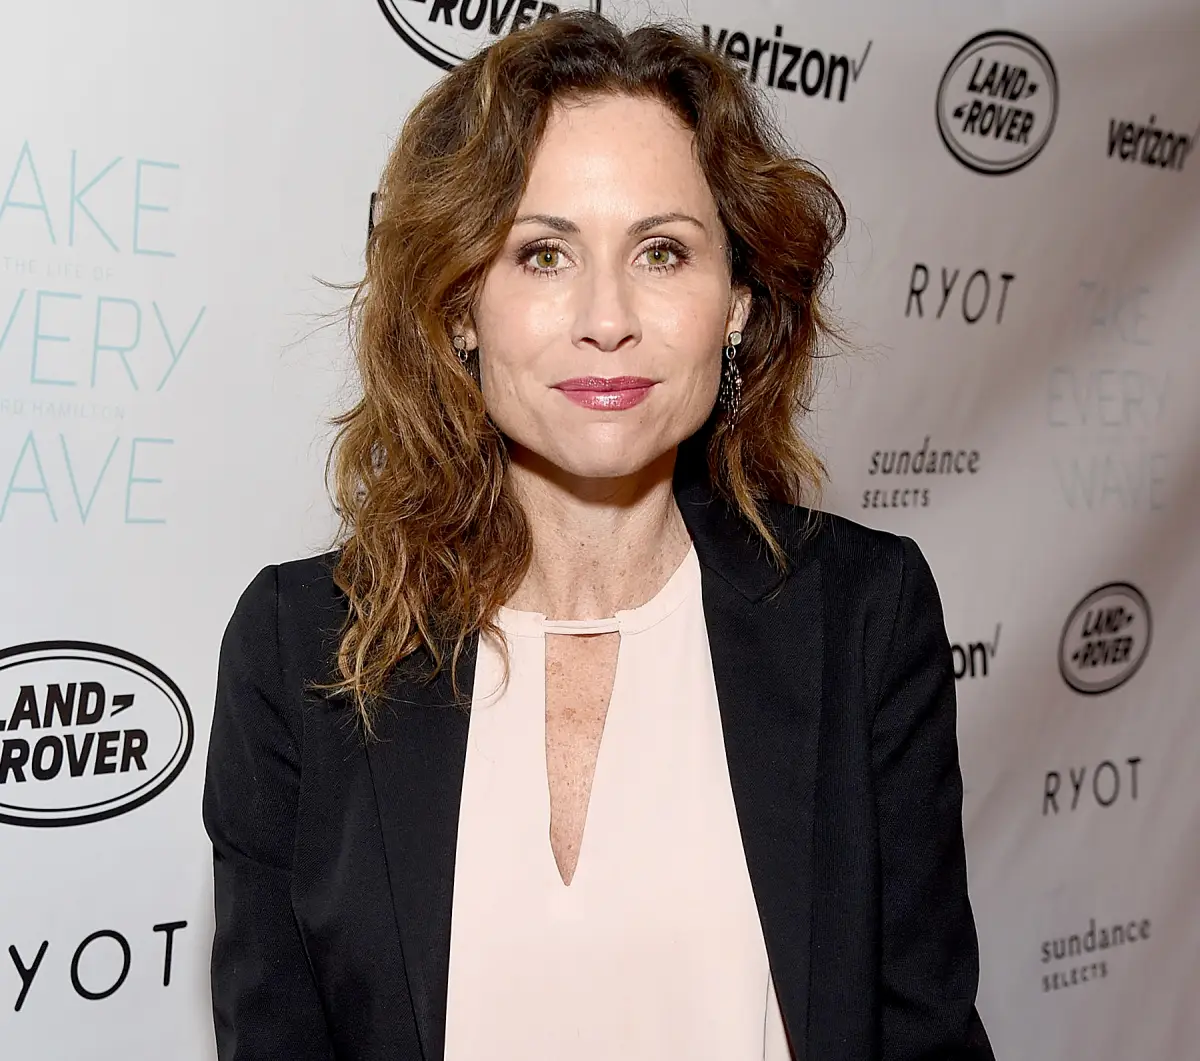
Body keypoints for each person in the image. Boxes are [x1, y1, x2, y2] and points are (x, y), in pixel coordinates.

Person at [203, 10, 995, 1061]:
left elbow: (926, 1034)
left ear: (738, 303)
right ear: (460, 307)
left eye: (663, 252)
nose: (608, 317)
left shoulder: (863, 615)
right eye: (543, 254)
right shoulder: (301, 644)